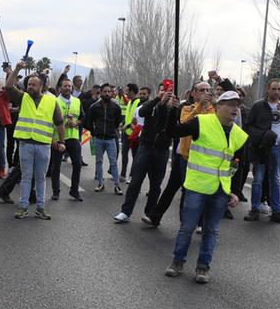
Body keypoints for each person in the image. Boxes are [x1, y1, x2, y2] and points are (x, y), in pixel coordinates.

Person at [163, 89, 249, 282]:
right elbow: (172, 131)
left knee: (212, 230)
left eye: (237, 105)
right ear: (219, 107)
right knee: (187, 227)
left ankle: (203, 267)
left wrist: (235, 191)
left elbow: (239, 164)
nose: (235, 109)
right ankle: (177, 262)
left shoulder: (240, 135)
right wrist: (171, 111)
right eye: (230, 104)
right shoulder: (201, 122)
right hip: (197, 187)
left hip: (220, 190)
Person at [1, 57, 68, 220]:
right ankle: (23, 206)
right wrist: (16, 69)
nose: (30, 86)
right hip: (25, 144)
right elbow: (8, 86)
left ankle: (40, 207)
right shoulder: (22, 97)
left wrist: (61, 142)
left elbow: (59, 123)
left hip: (44, 145)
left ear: (42, 86)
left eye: (33, 84)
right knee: (26, 177)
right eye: (29, 84)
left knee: (40, 178)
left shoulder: (52, 102)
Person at [145, 79, 213, 226]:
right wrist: (199, 106)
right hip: (184, 155)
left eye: (208, 90)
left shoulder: (213, 110)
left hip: (200, 158)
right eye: (202, 90)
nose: (206, 93)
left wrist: (208, 106)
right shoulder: (187, 108)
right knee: (172, 187)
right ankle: (155, 216)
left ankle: (191, 223)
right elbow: (183, 124)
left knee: (189, 190)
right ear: (194, 93)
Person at [115, 85, 176, 224]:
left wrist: (172, 107)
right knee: (135, 181)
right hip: (145, 147)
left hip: (161, 150)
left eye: (168, 92)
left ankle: (150, 213)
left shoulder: (173, 109)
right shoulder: (151, 105)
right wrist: (158, 100)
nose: (165, 94)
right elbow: (142, 113)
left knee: (155, 185)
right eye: (162, 90)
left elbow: (173, 127)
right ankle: (125, 211)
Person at [242, 79, 280, 225]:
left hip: (278, 148)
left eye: (279, 89)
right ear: (268, 89)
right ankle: (254, 209)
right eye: (274, 89)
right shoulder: (258, 105)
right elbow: (248, 127)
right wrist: (262, 136)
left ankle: (277, 211)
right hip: (262, 148)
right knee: (258, 179)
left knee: (275, 180)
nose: (277, 92)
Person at [47, 76, 85, 201]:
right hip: (58, 137)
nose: (67, 88)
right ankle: (56, 191)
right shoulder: (54, 101)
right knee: (56, 166)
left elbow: (82, 118)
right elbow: (49, 121)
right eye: (65, 86)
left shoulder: (77, 101)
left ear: (72, 88)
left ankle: (74, 191)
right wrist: (51, 139)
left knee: (77, 164)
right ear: (60, 88)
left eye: (69, 86)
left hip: (73, 137)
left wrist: (76, 123)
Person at [85, 82, 124, 193]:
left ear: (111, 93)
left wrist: (113, 130)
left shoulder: (116, 107)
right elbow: (89, 122)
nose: (107, 93)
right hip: (98, 139)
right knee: (99, 161)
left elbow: (118, 122)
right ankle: (100, 183)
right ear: (100, 93)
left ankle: (117, 185)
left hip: (111, 139)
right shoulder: (94, 107)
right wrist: (94, 132)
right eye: (105, 91)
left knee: (113, 163)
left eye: (109, 92)